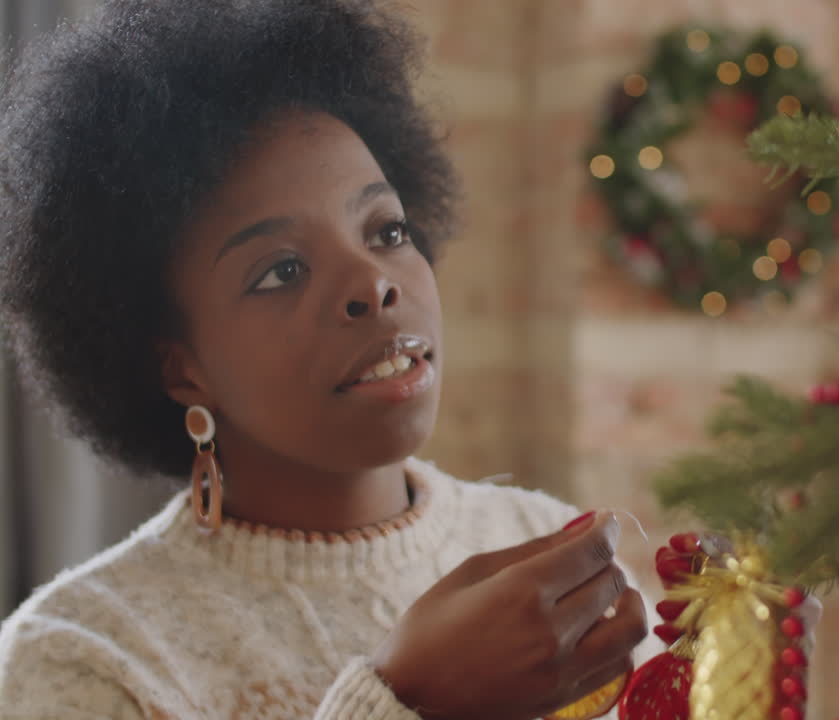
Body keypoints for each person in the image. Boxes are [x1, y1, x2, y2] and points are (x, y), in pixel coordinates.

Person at [0, 0, 657, 717]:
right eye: (281, 270)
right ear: (181, 367)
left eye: (387, 231)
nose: (373, 284)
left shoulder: (546, 551)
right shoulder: (81, 655)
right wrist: (403, 701)